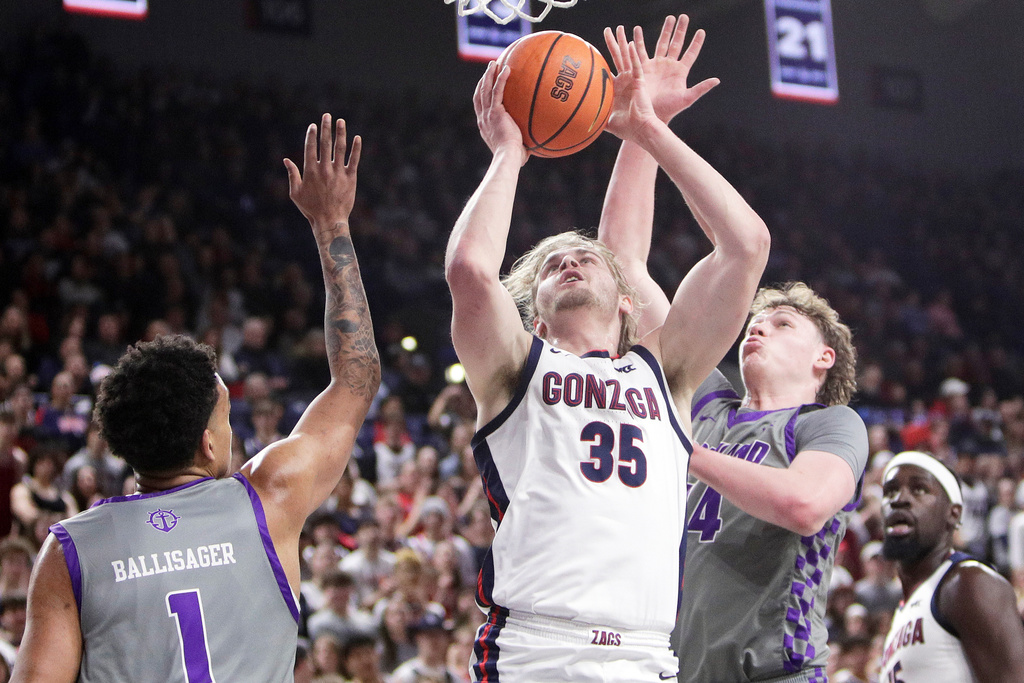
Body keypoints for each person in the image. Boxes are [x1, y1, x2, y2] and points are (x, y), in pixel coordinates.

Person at [444, 16, 769, 681]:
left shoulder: (666, 368)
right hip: (535, 646)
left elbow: (745, 246)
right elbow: (472, 273)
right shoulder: (517, 368)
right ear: (532, 313)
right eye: (552, 264)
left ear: (628, 299)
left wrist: (650, 130)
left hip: (645, 651)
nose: (569, 260)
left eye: (585, 258)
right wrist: (509, 152)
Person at [11, 114, 380, 682]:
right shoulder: (268, 499)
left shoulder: (68, 551)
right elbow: (356, 377)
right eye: (228, 418)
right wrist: (331, 222)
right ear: (208, 443)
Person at [596, 18, 869, 682]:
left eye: (781, 323)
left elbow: (803, 505)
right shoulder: (706, 398)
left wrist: (685, 452)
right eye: (757, 317)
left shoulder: (829, 425)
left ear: (824, 356)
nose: (757, 325)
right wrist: (643, 129)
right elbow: (624, 263)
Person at [878, 450, 1024, 682]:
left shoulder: (967, 582)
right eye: (890, 491)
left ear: (953, 514)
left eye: (919, 489)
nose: (899, 499)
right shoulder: (903, 610)